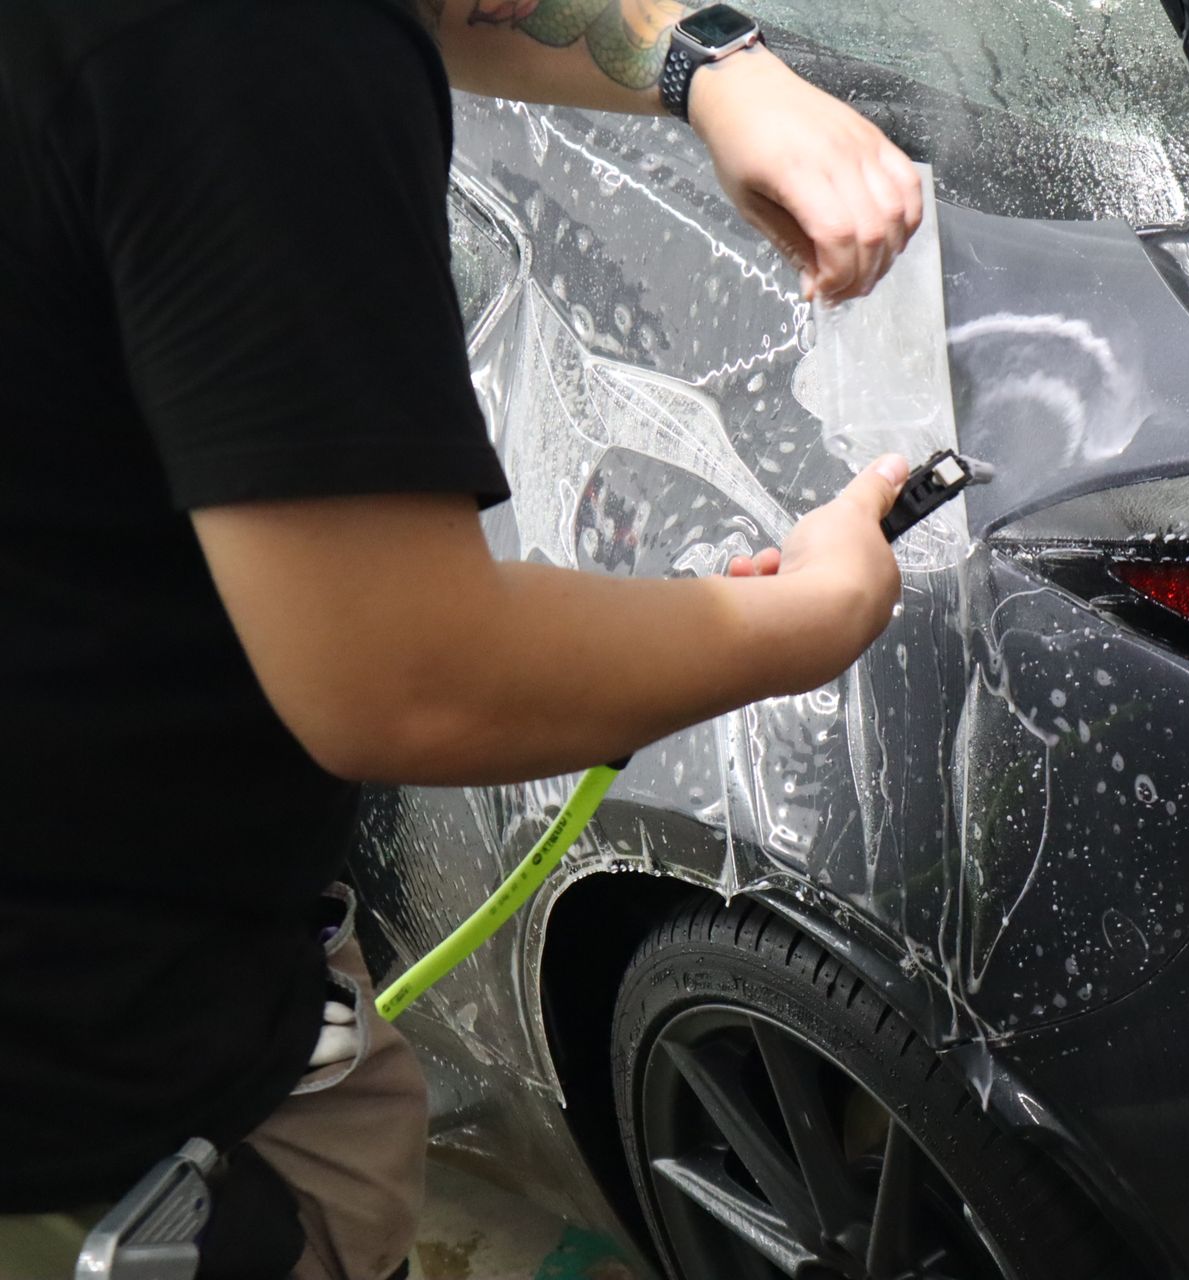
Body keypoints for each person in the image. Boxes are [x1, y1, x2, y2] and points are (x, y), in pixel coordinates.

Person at [0, 0, 922, 1275]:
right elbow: (411, 677)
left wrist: (711, 63)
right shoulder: (250, 47)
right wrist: (809, 618)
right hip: (110, 1123)